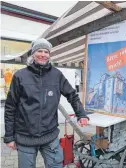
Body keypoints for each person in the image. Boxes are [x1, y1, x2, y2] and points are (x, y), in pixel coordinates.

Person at [4, 38, 89, 168]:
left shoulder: (56, 75)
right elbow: (10, 107)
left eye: (46, 52)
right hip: (25, 137)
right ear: (33, 53)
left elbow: (72, 95)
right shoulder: (20, 76)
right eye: (39, 51)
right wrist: (9, 136)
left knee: (56, 165)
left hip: (50, 136)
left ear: (49, 55)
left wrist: (81, 114)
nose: (43, 54)